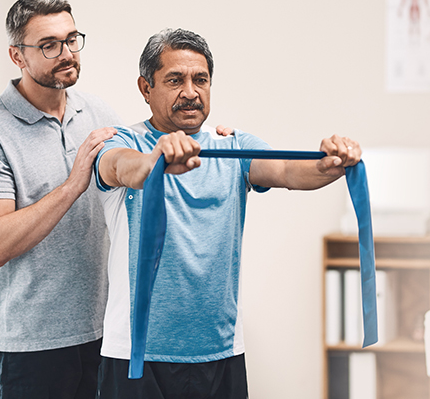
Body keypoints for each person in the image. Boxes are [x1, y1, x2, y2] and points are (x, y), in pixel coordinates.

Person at [93, 28, 362, 398]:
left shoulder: (233, 145)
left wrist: (331, 163)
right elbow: (122, 168)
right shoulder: (123, 142)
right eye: (175, 80)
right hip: (136, 357)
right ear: (145, 88)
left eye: (200, 79)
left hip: (221, 353)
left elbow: (285, 171)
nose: (190, 92)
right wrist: (158, 158)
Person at [0, 0, 120, 399]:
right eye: (48, 45)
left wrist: (203, 142)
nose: (66, 53)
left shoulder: (98, 114)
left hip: (104, 335)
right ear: (17, 56)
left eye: (71, 39)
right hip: (31, 349)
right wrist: (71, 185)